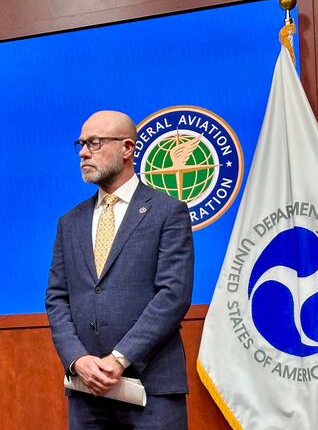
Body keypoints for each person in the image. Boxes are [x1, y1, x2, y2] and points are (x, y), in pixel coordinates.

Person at [45, 110, 194, 429]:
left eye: (95, 143)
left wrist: (119, 359)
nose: (84, 152)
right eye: (81, 143)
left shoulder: (168, 212)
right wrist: (77, 359)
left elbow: (173, 296)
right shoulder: (69, 222)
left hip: (151, 390)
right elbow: (57, 298)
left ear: (127, 148)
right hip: (87, 392)